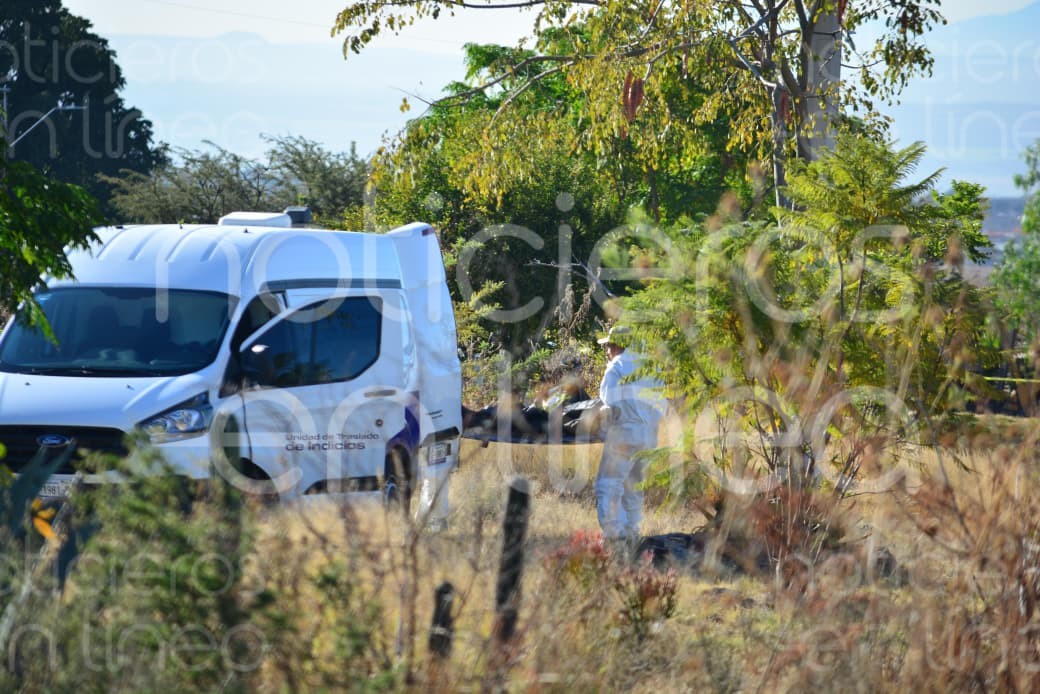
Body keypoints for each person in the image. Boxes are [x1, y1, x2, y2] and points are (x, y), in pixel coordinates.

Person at [594, 325, 665, 541]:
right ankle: (632, 532)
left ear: (617, 345)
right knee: (634, 486)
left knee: (609, 483)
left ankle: (614, 534)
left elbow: (609, 401)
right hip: (649, 437)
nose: (607, 350)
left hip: (625, 434)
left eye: (608, 346)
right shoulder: (653, 368)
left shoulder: (616, 366)